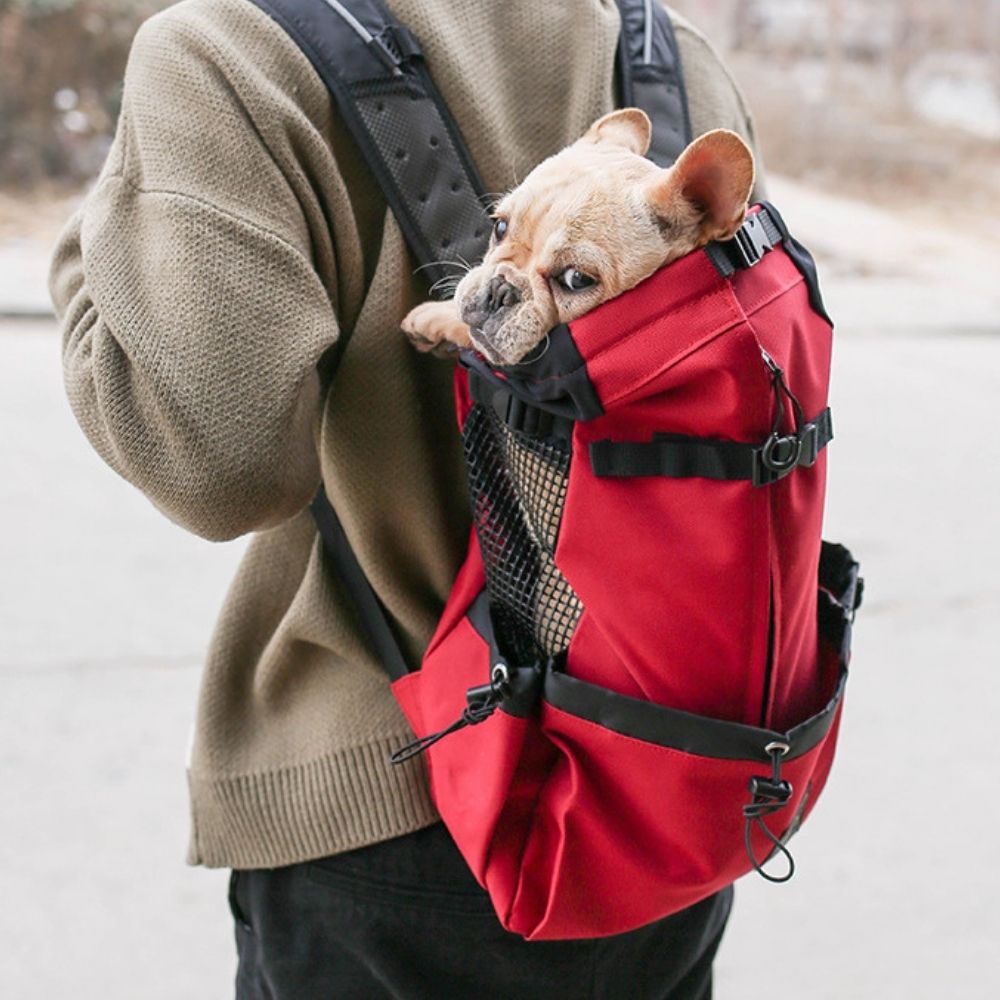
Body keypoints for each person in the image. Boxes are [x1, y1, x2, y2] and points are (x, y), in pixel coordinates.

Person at [49, 0, 767, 996]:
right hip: (665, 794)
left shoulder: (228, 48)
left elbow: (217, 466)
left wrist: (94, 253)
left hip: (390, 794)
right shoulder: (669, 56)